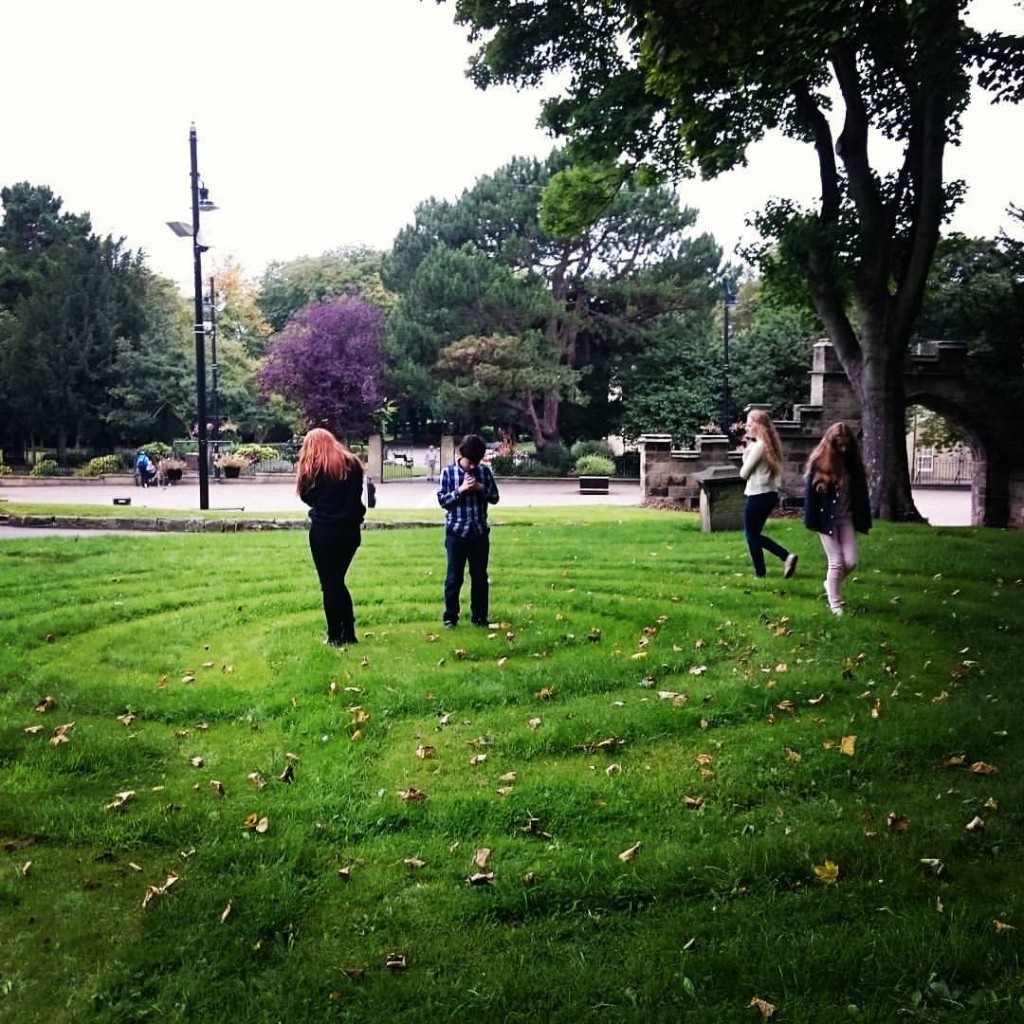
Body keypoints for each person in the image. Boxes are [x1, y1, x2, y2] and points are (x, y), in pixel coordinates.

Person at [296, 428, 366, 646]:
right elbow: (356, 496)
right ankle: (349, 632)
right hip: (350, 531)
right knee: (337, 581)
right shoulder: (352, 464)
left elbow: (306, 496)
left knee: (330, 584)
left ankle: (336, 634)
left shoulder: (314, 468)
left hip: (324, 532)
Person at [803, 421, 872, 616]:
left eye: (846, 445)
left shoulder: (853, 465)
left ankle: (829, 583)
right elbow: (810, 497)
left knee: (850, 561)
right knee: (836, 562)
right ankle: (836, 605)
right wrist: (812, 521)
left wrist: (863, 518)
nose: (843, 448)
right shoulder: (819, 463)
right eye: (839, 445)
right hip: (826, 521)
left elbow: (860, 495)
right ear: (830, 443)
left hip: (846, 518)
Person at [437, 433, 500, 628]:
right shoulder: (448, 473)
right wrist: (461, 490)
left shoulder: (485, 473)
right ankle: (450, 617)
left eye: (477, 462)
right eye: (470, 461)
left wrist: (481, 488)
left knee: (480, 577)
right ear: (460, 454)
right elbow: (443, 501)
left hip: (479, 532)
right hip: (456, 533)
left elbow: (495, 497)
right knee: (454, 577)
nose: (473, 466)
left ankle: (480, 616)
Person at [739, 409, 798, 579]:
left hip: (757, 495)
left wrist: (745, 454)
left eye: (749, 423)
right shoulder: (771, 444)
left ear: (757, 425)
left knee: (751, 536)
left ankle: (761, 572)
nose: (747, 426)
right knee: (754, 534)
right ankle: (786, 557)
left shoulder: (758, 447)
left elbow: (744, 473)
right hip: (769, 494)